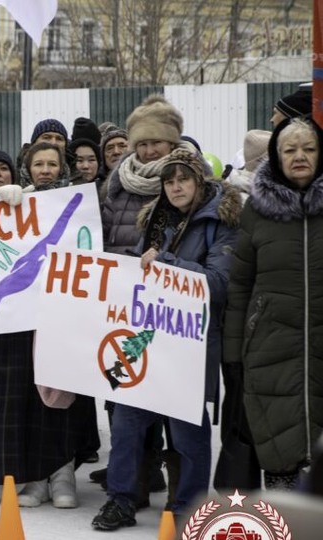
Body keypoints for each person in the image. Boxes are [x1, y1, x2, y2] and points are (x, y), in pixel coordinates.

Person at [92, 148, 241, 531]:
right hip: (145, 337)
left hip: (189, 347)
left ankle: (188, 507)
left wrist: (168, 264)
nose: (175, 187)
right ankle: (120, 500)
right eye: (169, 181)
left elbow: (219, 284)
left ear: (200, 181)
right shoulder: (154, 219)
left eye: (183, 179)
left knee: (188, 432)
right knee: (125, 422)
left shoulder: (219, 223)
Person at [98, 94, 202, 509]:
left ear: (173, 142)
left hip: (178, 313)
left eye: (156, 143)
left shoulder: (195, 184)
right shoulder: (118, 183)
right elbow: (103, 236)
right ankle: (131, 491)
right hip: (126, 305)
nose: (147, 151)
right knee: (127, 401)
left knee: (177, 408)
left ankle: (183, 499)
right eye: (141, 143)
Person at [0, 140, 82, 509]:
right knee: (24, 397)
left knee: (60, 395)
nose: (46, 170)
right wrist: (0, 206)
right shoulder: (14, 202)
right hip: (17, 318)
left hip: (62, 314)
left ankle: (63, 471)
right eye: (39, 164)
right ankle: (34, 475)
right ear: (28, 168)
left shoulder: (79, 203)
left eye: (53, 163)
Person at [224, 117, 323, 490]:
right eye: (290, 149)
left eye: (309, 149)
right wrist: (233, 355)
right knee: (279, 453)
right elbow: (240, 285)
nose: (300, 156)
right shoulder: (257, 212)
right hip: (270, 349)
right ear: (276, 157)